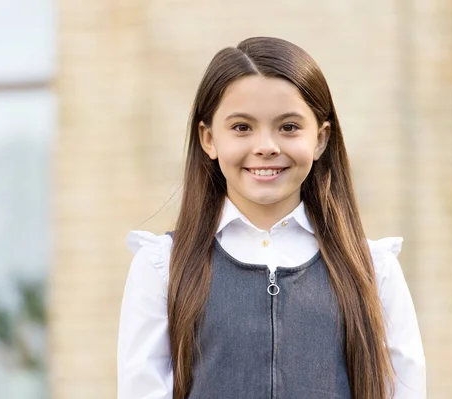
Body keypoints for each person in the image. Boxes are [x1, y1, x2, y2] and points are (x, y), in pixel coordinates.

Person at [118, 36, 426, 399]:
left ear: (321, 139)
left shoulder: (373, 270)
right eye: (242, 127)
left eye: (289, 127)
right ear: (208, 139)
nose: (266, 146)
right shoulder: (162, 268)